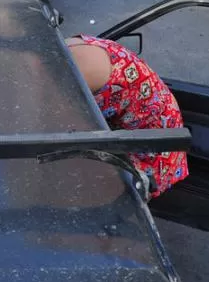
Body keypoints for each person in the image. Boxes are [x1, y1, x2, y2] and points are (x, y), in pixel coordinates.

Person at [65, 34, 188, 199]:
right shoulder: (63, 48)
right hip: (143, 125)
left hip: (153, 150)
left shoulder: (76, 68)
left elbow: (48, 129)